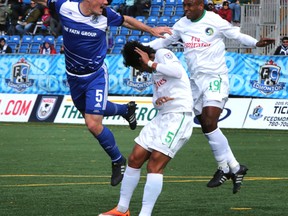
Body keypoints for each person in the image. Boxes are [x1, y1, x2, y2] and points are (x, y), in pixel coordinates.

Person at [144, 0, 275, 194]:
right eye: (184, 6)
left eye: (189, 6)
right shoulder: (181, 24)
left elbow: (236, 35)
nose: (186, 9)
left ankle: (223, 168)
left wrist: (255, 43)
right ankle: (236, 167)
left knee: (209, 120)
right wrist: (140, 47)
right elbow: (163, 41)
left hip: (216, 78)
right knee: (203, 123)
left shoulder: (215, 20)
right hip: (196, 82)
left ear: (200, 5)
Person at [40, 0, 171, 187]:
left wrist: (151, 30)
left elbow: (126, 21)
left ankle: (118, 160)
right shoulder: (64, 6)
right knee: (88, 111)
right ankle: (126, 111)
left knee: (92, 123)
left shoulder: (105, 15)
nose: (106, 2)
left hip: (96, 76)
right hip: (74, 76)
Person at [99, 40, 194, 216]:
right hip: (161, 118)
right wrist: (157, 103)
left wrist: (150, 63)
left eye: (141, 66)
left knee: (154, 164)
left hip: (179, 117)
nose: (143, 70)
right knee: (135, 158)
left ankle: (145, 214)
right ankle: (122, 209)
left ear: (144, 58)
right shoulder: (154, 71)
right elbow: (156, 100)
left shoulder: (162, 54)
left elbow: (178, 72)